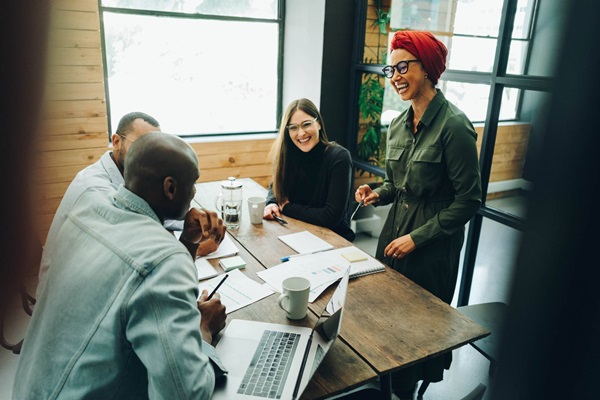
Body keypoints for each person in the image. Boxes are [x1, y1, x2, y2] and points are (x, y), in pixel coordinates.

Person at [14, 132, 228, 399]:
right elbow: (187, 393)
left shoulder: (87, 209)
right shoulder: (165, 261)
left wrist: (188, 241)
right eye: (193, 184)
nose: (195, 193)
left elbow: (144, 286)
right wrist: (202, 330)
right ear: (170, 188)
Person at [355, 30, 482, 398]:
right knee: (383, 322)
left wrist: (418, 238)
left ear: (426, 68)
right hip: (392, 239)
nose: (394, 76)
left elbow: (469, 200)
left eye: (402, 67)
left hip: (431, 251)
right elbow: (396, 185)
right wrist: (376, 194)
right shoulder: (397, 125)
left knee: (414, 337)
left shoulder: (454, 126)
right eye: (389, 69)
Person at [37, 111, 224, 298]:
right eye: (141, 144)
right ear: (116, 141)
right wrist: (195, 248)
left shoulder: (129, 179)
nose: (150, 155)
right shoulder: (100, 193)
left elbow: (154, 216)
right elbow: (153, 270)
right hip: (63, 293)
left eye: (154, 146)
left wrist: (190, 224)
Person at [264, 98, 355, 242]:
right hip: (295, 233)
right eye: (293, 127)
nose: (301, 133)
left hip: (333, 240)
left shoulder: (339, 157)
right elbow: (275, 185)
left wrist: (288, 208)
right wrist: (271, 202)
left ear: (318, 123)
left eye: (306, 124)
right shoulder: (286, 153)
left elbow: (330, 217)